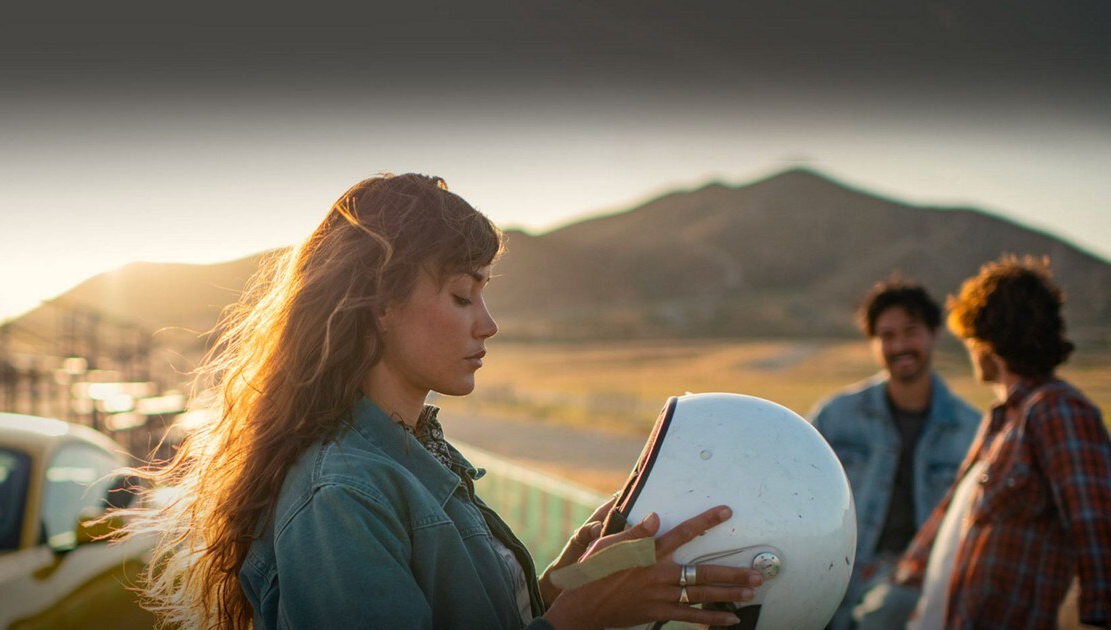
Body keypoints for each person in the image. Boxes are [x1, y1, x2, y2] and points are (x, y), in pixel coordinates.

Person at [127, 173, 763, 629]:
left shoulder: (405, 451)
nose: (487, 324)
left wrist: (565, 582)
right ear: (377, 304)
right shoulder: (343, 494)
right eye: (463, 296)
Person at [889, 255, 1111, 628]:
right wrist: (909, 570)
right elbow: (955, 514)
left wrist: (1099, 613)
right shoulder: (1002, 418)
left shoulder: (1058, 409)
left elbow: (1097, 524)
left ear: (989, 339)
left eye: (971, 338)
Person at [809, 277, 980, 630]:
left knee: (892, 609)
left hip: (916, 589)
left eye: (910, 331)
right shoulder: (835, 416)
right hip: (835, 574)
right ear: (873, 343)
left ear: (934, 333)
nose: (900, 345)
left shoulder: (970, 430)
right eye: (886, 336)